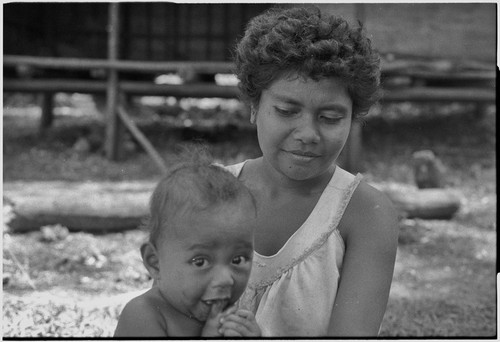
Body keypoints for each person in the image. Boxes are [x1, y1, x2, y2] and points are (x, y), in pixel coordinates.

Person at [224, 6, 399, 336]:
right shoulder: (209, 192)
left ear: (353, 119)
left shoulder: (365, 214)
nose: (307, 134)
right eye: (287, 111)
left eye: (330, 118)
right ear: (254, 106)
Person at [114, 153, 261, 337]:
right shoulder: (143, 315)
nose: (226, 279)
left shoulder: (225, 316)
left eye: (238, 260)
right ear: (155, 263)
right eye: (200, 262)